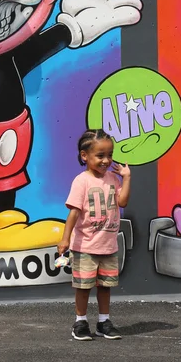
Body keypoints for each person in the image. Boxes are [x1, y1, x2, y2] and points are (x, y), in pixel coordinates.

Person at [58, 129, 131, 341]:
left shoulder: (113, 179)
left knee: (105, 287)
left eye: (109, 154)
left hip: (108, 246)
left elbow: (123, 202)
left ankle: (103, 322)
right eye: (100, 155)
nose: (106, 160)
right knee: (83, 287)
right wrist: (65, 239)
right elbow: (74, 212)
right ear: (84, 156)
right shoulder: (82, 181)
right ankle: (80, 322)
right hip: (85, 247)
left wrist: (126, 178)